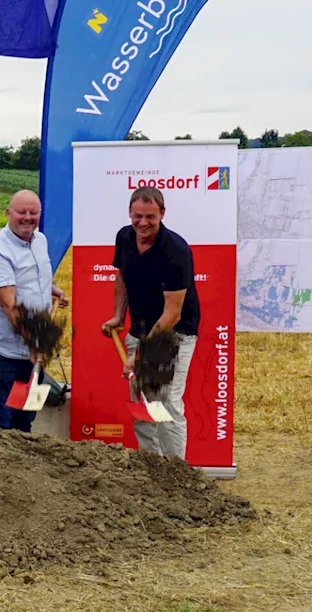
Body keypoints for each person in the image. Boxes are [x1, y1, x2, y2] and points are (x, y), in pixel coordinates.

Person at [100, 186, 200, 460]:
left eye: (150, 217)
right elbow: (121, 277)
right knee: (143, 400)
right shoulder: (124, 237)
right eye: (137, 216)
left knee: (165, 401)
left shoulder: (175, 251)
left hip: (173, 335)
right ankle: (153, 466)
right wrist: (119, 315)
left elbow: (172, 315)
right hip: (140, 329)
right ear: (130, 214)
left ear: (162, 214)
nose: (143, 223)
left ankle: (177, 473)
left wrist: (140, 357)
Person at [0, 190, 69, 432]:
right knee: (1, 423)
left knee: (26, 420)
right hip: (0, 353)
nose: (27, 217)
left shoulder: (40, 241)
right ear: (8, 214)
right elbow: (10, 305)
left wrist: (52, 289)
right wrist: (35, 344)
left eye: (33, 212)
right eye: (21, 212)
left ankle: (24, 468)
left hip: (31, 352)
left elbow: (33, 277)